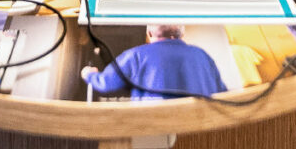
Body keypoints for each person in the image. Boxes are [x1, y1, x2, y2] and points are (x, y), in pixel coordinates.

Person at [81, 24, 227, 101]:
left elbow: (105, 83)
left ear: (149, 34)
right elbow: (222, 93)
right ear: (182, 34)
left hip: (153, 130)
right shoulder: (202, 55)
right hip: (199, 130)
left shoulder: (135, 55)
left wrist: (89, 74)